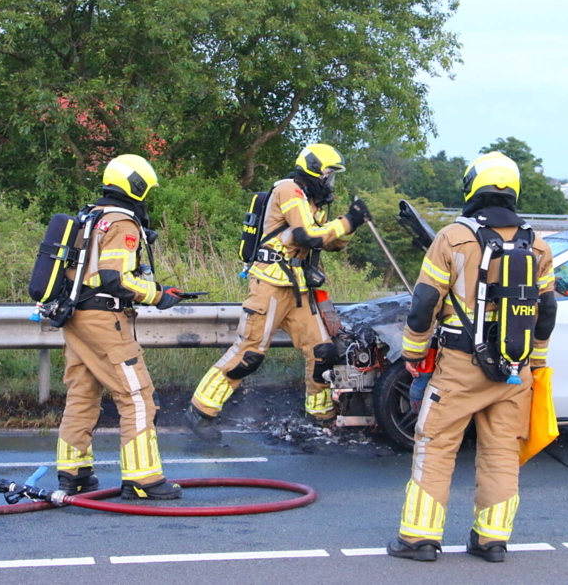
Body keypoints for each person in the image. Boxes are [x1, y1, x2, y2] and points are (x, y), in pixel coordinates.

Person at [386, 151, 557, 563]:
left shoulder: (453, 238)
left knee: (436, 443)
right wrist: (534, 361)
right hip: (515, 370)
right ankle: (491, 541)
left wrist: (413, 352)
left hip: (461, 366)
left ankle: (419, 540)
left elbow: (425, 302)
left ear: (472, 187)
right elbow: (547, 311)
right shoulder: (537, 244)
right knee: (501, 452)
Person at [184, 143, 369, 441]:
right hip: (269, 284)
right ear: (312, 168)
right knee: (249, 353)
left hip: (297, 287)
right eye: (328, 173)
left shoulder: (312, 201)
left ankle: (320, 417)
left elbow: (329, 243)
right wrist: (347, 221)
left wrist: (351, 225)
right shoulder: (289, 189)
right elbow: (306, 235)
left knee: (322, 352)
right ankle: (200, 411)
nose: (330, 180)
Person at [56, 154, 189, 500]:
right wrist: (157, 295)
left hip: (76, 317)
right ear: (137, 186)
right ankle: (143, 479)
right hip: (104, 320)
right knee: (137, 396)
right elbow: (114, 279)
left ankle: (74, 474)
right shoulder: (122, 223)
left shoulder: (91, 216)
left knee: (82, 394)